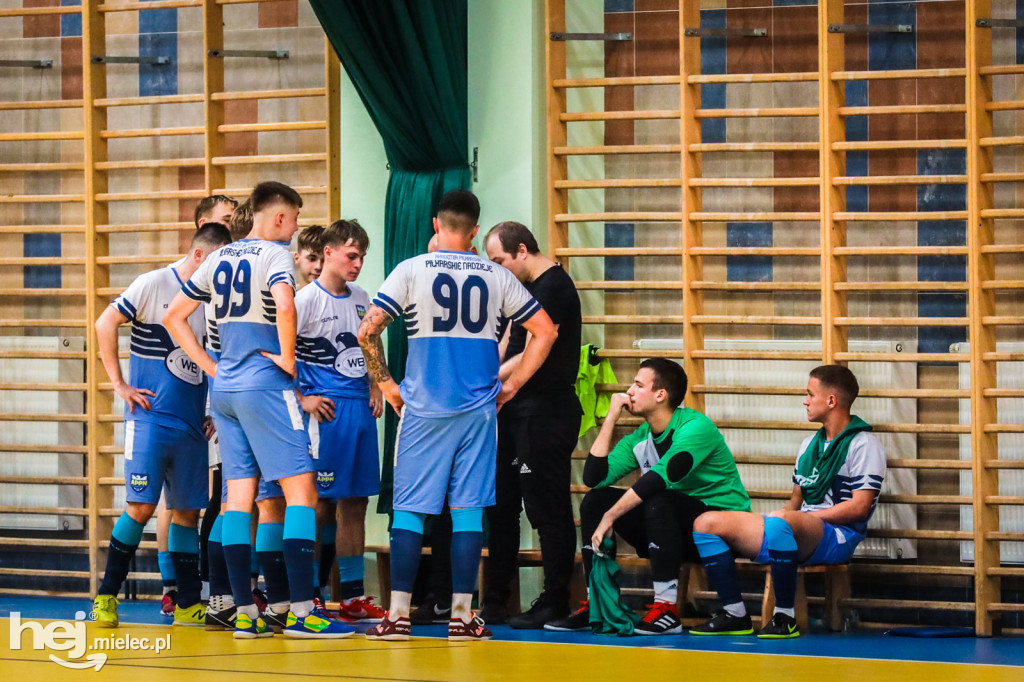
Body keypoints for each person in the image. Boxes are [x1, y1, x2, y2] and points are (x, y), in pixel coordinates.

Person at [358, 189, 558, 642]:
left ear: (435, 225)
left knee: (409, 512)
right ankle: (463, 618)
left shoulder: (411, 269)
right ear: (474, 231)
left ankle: (399, 617)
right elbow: (545, 331)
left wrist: (388, 385)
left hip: (423, 410)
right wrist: (513, 385)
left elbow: (367, 331)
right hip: (478, 412)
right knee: (468, 513)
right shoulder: (495, 275)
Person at [165, 181, 353, 640]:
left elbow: (174, 316)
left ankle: (245, 613)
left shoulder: (219, 257)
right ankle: (303, 612)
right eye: (292, 220)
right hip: (266, 387)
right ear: (280, 218)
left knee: (238, 497)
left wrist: (211, 365)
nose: (292, 232)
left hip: (226, 388)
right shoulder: (273, 256)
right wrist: (288, 359)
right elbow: (285, 307)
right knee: (301, 491)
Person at [90, 223, 232, 628]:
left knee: (188, 512)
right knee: (140, 506)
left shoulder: (211, 303)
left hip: (191, 425)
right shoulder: (153, 284)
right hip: (150, 420)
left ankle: (187, 603)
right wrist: (119, 384)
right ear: (202, 257)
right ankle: (106, 598)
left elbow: (209, 364)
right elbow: (104, 324)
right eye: (220, 264)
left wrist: (211, 409)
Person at [545, 358, 751, 636]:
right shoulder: (641, 437)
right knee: (596, 499)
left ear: (660, 394)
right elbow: (594, 477)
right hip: (669, 528)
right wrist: (611, 418)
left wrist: (612, 516)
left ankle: (667, 610)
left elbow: (659, 479)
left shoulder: (695, 427)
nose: (629, 390)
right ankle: (598, 604)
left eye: (638, 384)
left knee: (656, 497)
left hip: (722, 530)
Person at [690, 365, 885, 639]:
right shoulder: (808, 445)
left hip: (838, 536)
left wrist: (799, 520)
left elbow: (860, 507)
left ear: (831, 401)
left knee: (782, 522)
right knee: (706, 522)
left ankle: (785, 617)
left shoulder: (864, 444)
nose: (805, 401)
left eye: (810, 394)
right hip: (800, 528)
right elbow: (796, 501)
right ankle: (734, 614)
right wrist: (783, 518)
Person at [479, 221, 582, 628]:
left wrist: (495, 382)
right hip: (514, 409)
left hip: (545, 411)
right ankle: (494, 597)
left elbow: (537, 348)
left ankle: (555, 598)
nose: (498, 269)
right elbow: (508, 344)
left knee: (546, 506)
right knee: (502, 505)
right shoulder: (520, 293)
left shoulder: (553, 288)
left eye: (500, 260)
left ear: (522, 251)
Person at [294, 219, 386, 623]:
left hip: (360, 409)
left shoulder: (363, 297)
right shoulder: (304, 300)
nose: (358, 263)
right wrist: (303, 398)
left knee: (356, 502)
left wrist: (378, 382)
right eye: (352, 255)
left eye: (363, 256)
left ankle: (351, 597)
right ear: (328, 252)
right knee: (319, 504)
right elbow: (276, 354)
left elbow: (371, 340)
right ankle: (311, 592)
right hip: (325, 414)